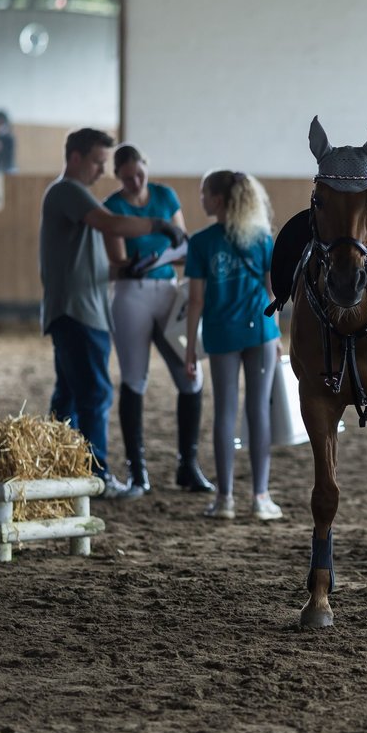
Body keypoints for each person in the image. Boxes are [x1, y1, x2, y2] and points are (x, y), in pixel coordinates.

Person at [39, 127, 188, 500]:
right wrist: (159, 225)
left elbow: (90, 262)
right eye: (98, 162)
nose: (102, 171)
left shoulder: (73, 196)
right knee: (96, 392)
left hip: (75, 306)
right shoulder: (68, 191)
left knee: (70, 394)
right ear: (75, 158)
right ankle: (97, 473)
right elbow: (110, 225)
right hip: (79, 310)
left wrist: (126, 268)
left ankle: (59, 466)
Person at [101, 144, 214, 495]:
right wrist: (136, 262)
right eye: (127, 177)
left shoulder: (165, 196)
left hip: (166, 288)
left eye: (139, 174)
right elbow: (118, 260)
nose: (135, 182)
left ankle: (188, 464)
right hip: (131, 292)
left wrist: (170, 252)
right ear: (117, 176)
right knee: (135, 378)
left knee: (190, 375)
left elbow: (182, 245)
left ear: (146, 169)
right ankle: (138, 470)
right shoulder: (112, 207)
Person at [183, 170, 283, 522]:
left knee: (225, 410)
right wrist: (278, 334)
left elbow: (195, 300)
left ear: (219, 200)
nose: (201, 199)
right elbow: (273, 292)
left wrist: (190, 348)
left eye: (204, 193)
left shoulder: (200, 242)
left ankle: (225, 498)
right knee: (258, 411)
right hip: (261, 330)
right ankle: (261, 496)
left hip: (221, 332)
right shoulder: (261, 238)